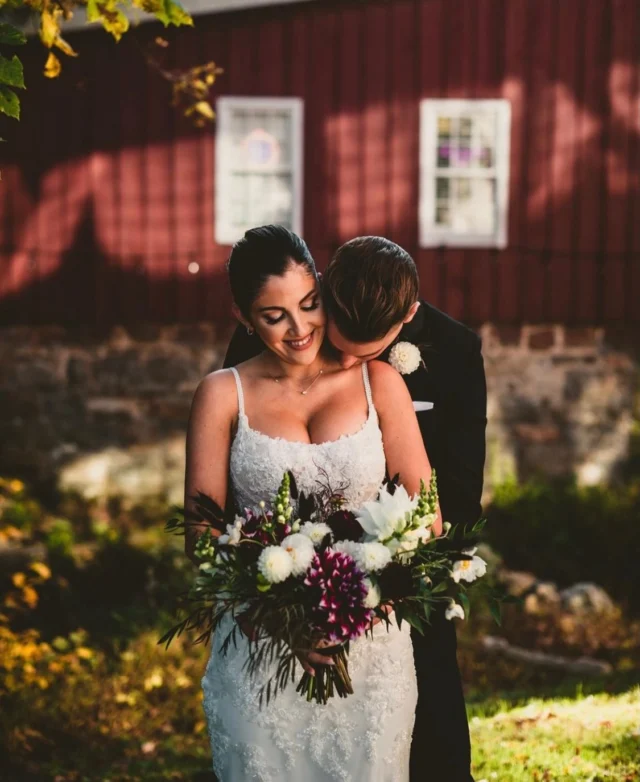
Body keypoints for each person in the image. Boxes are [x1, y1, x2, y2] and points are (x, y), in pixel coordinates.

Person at [224, 235, 487, 782]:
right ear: (325, 290)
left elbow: (457, 494)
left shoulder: (456, 351)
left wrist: (385, 583)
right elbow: (236, 468)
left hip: (405, 574)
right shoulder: (279, 331)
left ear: (408, 318)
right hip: (281, 577)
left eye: (360, 355)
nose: (340, 360)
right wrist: (289, 594)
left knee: (433, 742)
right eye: (334, 339)